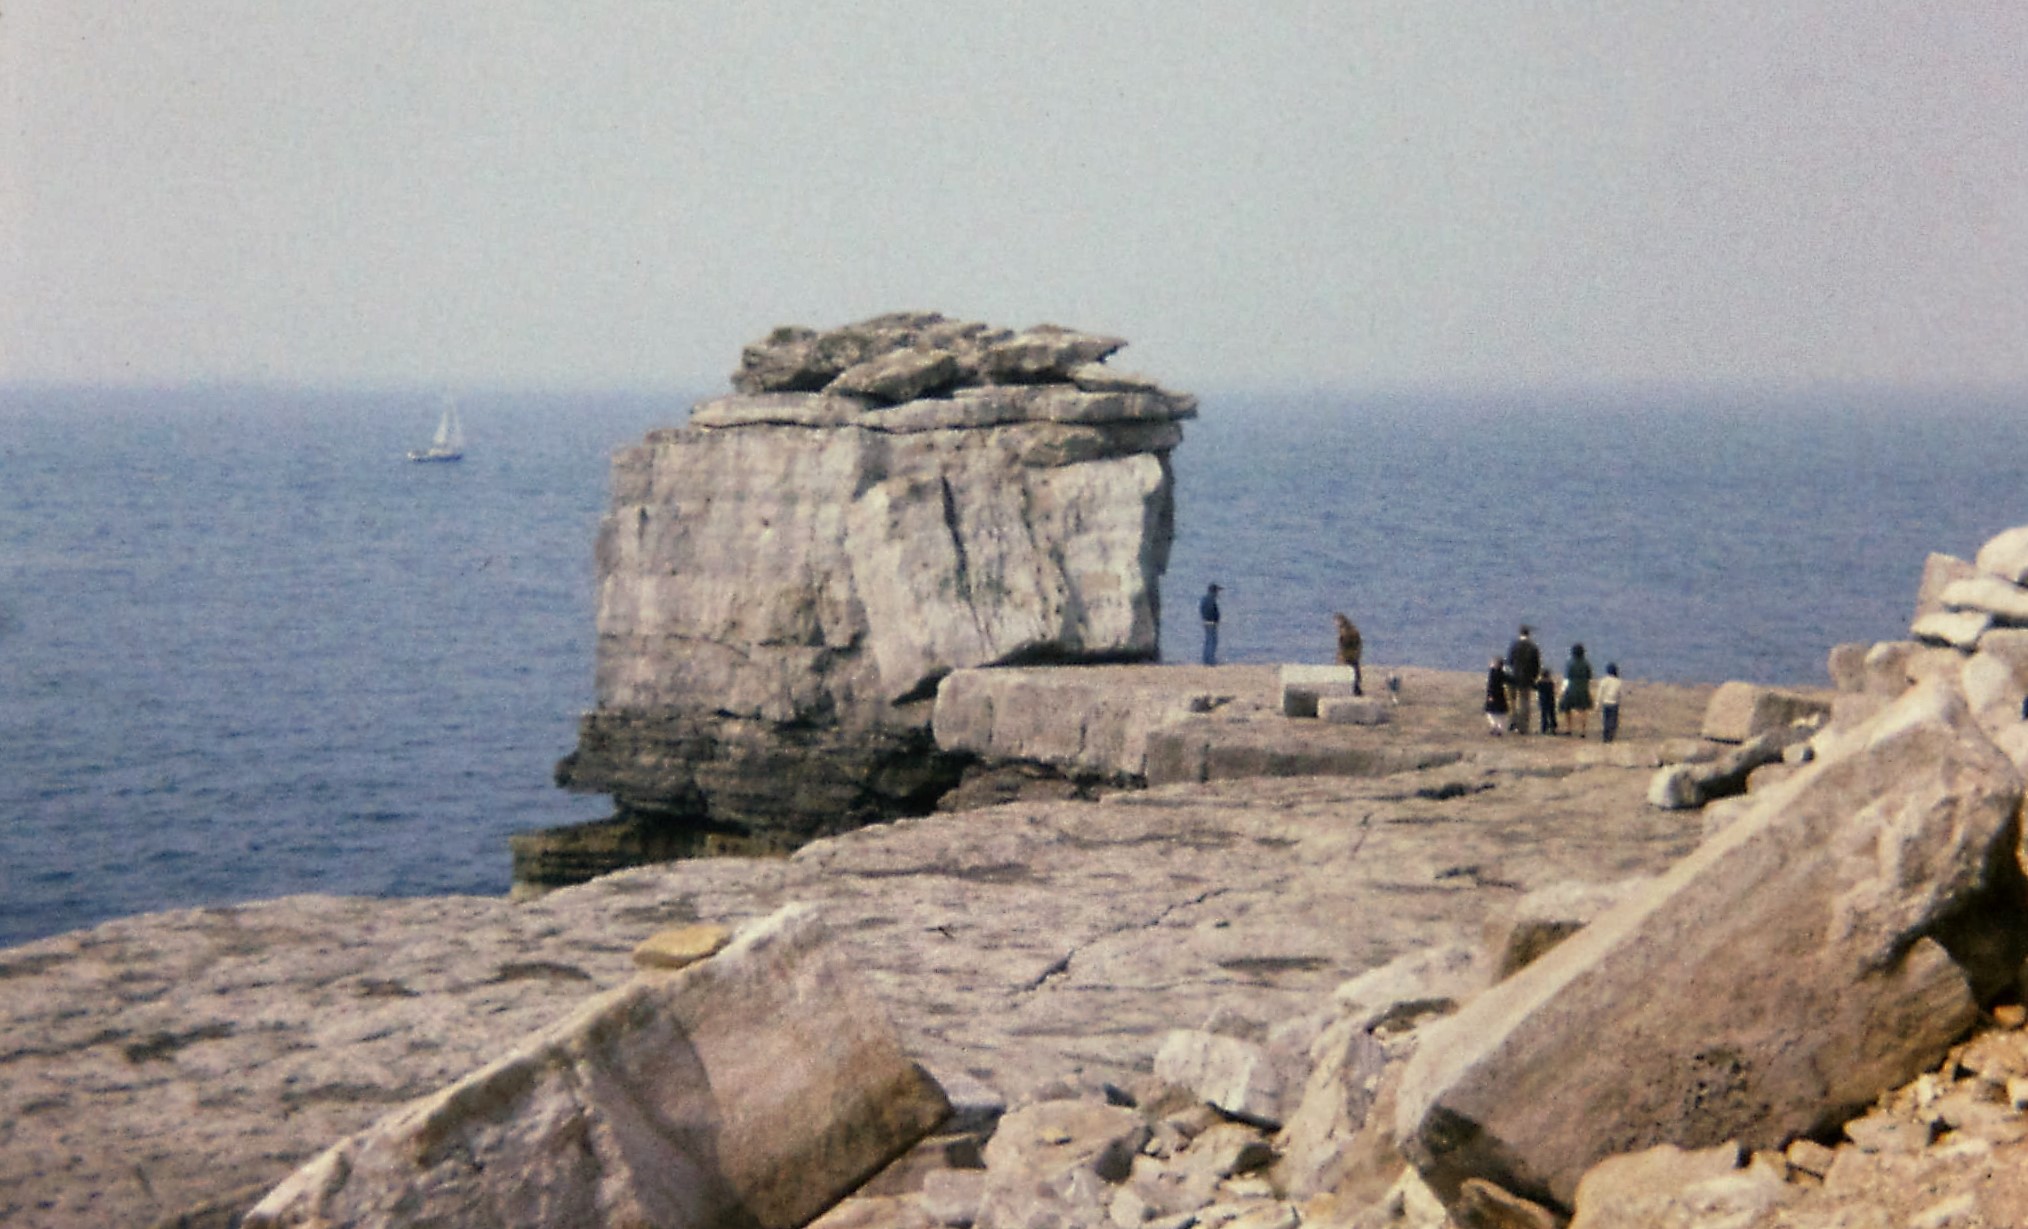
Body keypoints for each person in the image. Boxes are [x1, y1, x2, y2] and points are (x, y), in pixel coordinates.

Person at [1505, 625, 1541, 734]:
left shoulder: (1514, 645)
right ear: (1528, 634)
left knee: (1512, 701)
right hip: (1526, 678)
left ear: (1520, 633)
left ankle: (1513, 722)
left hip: (1513, 677)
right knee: (1524, 702)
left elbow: (1509, 662)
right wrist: (1534, 678)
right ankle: (1523, 727)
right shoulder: (1533, 647)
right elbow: (1536, 666)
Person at [1560, 643, 1595, 737]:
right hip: (1583, 689)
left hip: (1571, 689)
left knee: (1566, 708)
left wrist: (1562, 690)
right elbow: (1589, 677)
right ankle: (1582, 731)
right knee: (1583, 710)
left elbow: (1567, 678)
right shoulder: (1586, 664)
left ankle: (1569, 728)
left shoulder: (1570, 663)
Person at [1333, 612, 1364, 696]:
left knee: (1352, 673)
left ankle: (1355, 689)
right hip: (1353, 656)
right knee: (1354, 672)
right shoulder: (1351, 631)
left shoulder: (1346, 633)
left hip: (1349, 656)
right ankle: (1356, 689)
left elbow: (1342, 646)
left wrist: (1341, 657)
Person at [1597, 663, 1623, 743]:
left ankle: (1606, 736)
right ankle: (1611, 736)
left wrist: (1597, 703)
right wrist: (1619, 700)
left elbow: (1600, 693)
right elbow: (1620, 693)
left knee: (1606, 720)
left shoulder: (1603, 681)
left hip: (1606, 703)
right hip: (1614, 703)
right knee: (1613, 721)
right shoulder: (1618, 682)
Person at [1484, 658, 1510, 735]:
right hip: (1499, 695)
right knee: (1498, 713)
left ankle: (1497, 728)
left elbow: (1490, 685)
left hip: (1495, 695)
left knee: (1493, 713)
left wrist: (1490, 695)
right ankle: (1497, 728)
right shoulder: (1500, 673)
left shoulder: (1493, 673)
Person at [1199, 583, 1222, 665]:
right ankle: (1210, 660)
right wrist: (1214, 620)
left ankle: (1207, 659)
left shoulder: (1205, 599)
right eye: (1216, 591)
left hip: (1207, 622)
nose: (1217, 593)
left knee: (1209, 641)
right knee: (1212, 641)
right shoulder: (1210, 599)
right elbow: (1211, 612)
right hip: (1210, 623)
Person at [1535, 666, 1558, 735]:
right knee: (1552, 714)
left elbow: (1535, 688)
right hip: (1551, 700)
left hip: (1543, 701)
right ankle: (1553, 728)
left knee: (1544, 715)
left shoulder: (1540, 683)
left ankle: (1544, 728)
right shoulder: (1551, 683)